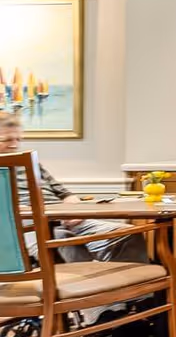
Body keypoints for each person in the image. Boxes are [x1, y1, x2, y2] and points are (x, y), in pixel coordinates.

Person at [0, 108, 147, 263]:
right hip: (27, 227)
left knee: (128, 234)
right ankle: (87, 284)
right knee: (64, 240)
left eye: (18, 139)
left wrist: (73, 210)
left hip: (63, 219)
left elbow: (66, 194)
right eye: (7, 140)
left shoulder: (31, 164)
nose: (14, 145)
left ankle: (134, 285)